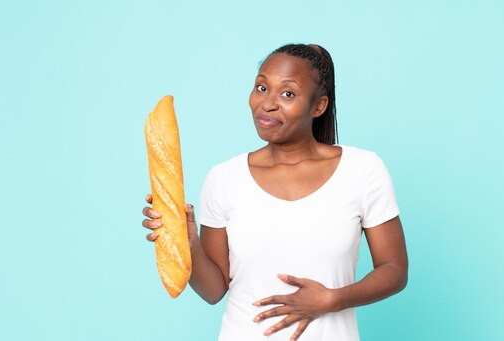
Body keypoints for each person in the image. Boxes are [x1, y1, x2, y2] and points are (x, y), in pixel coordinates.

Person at [142, 43, 408, 341]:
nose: (266, 104)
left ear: (318, 106)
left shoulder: (362, 170)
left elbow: (394, 269)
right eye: (261, 87)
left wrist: (333, 299)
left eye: (288, 94)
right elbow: (214, 290)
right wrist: (187, 242)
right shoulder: (224, 178)